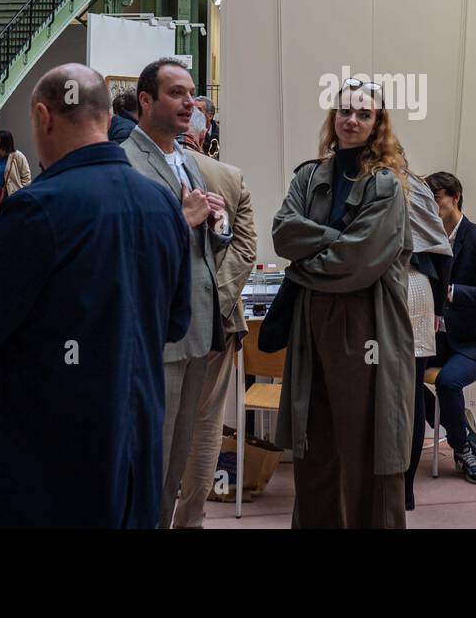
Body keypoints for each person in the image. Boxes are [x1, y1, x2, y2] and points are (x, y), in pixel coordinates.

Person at [0, 64, 191, 527]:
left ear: (43, 117)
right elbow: (176, 322)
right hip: (135, 441)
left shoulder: (37, 208)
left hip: (45, 458)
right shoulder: (162, 204)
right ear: (107, 117)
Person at [272, 79, 415, 528]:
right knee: (313, 439)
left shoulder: (386, 185)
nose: (351, 120)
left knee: (366, 443)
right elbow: (283, 233)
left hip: (366, 322)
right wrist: (337, 240)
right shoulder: (309, 176)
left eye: (363, 114)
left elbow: (361, 260)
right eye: (344, 111)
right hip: (312, 321)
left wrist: (304, 265)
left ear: (378, 124)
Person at [122, 58, 233, 528]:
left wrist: (218, 225)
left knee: (177, 463)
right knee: (151, 459)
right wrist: (183, 219)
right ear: (146, 100)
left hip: (199, 331)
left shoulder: (186, 159)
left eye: (191, 93)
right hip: (159, 336)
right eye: (176, 93)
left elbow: (201, 244)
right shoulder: (126, 161)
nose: (190, 103)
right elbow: (126, 248)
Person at [171, 105, 258, 528]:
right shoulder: (229, 175)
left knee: (160, 425)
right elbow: (246, 250)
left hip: (163, 323)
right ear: (204, 133)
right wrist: (214, 303)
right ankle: (191, 520)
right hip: (218, 326)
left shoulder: (141, 170)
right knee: (206, 427)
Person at [423, 170, 476, 488]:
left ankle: (464, 452)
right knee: (400, 373)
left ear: (455, 197)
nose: (430, 207)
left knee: (447, 382)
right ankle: (460, 427)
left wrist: (453, 292)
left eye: (435, 199)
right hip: (441, 339)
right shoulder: (428, 242)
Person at [403, 171, 453, 510]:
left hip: (400, 287)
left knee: (403, 393)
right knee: (411, 393)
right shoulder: (415, 185)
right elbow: (442, 252)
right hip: (415, 288)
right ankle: (404, 490)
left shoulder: (364, 177)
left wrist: (438, 307)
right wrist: (438, 306)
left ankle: (398, 487)